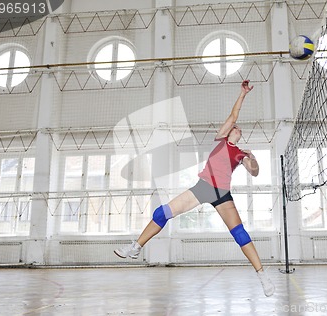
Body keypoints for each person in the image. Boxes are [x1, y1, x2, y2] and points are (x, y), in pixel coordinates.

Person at [114, 80, 275, 297]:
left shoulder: (240, 154)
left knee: (239, 233)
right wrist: (242, 94)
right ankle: (136, 246)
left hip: (223, 195)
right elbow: (233, 115)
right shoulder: (222, 140)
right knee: (162, 213)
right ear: (229, 133)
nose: (237, 128)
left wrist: (252, 157)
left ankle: (262, 276)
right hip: (203, 187)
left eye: (238, 129)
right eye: (234, 127)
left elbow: (254, 172)